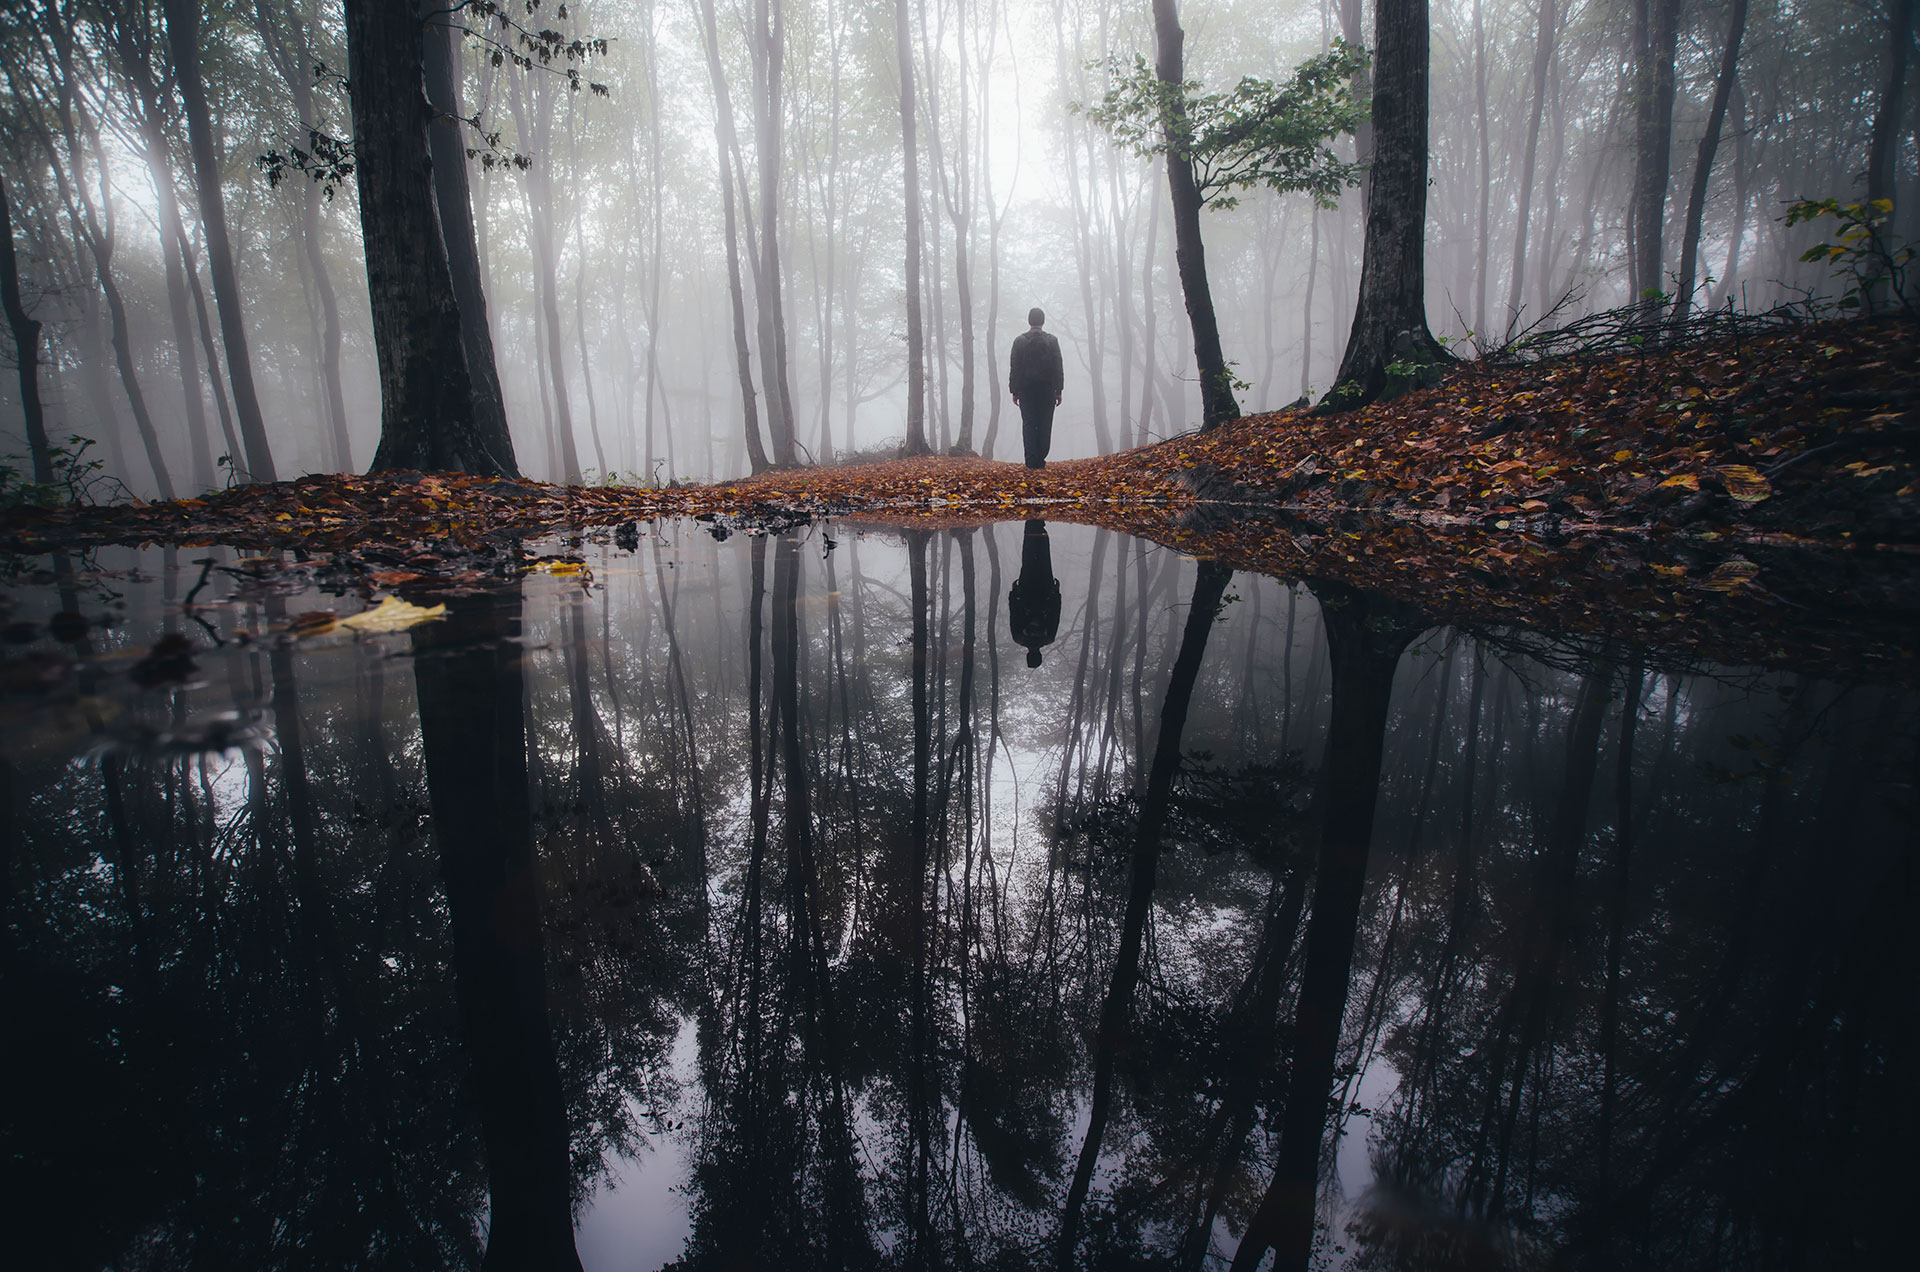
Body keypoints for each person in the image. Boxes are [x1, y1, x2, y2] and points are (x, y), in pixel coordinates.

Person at [1008, 307, 1064, 470]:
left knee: (1029, 424)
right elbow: (1058, 366)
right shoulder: (1052, 341)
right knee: (1045, 424)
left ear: (1029, 321)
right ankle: (1041, 457)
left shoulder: (1019, 341)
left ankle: (1031, 461)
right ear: (1043, 321)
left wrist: (1014, 390)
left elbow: (1015, 367)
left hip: (1026, 390)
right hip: (1047, 390)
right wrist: (1058, 390)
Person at [1008, 519, 1061, 668]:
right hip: (1026, 592)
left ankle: (1041, 528)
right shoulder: (1018, 637)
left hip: (1045, 591)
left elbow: (1055, 613)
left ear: (1039, 655)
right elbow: (1013, 613)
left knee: (1044, 558)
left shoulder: (1048, 637)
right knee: (1028, 558)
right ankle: (1031, 525)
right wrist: (1013, 593)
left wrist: (1056, 593)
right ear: (1028, 656)